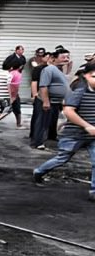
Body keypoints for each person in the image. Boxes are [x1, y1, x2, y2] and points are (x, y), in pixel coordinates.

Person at [33, 62, 95, 202]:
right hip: (74, 135)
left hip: (93, 136)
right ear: (86, 76)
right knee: (62, 158)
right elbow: (68, 111)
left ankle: (93, 191)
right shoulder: (79, 92)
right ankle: (39, 171)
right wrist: (86, 126)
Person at [30, 50, 70, 150]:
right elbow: (43, 86)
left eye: (67, 57)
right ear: (53, 59)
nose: (66, 59)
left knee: (50, 122)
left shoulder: (59, 70)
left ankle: (47, 138)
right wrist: (46, 101)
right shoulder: (49, 69)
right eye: (63, 57)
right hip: (47, 101)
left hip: (56, 102)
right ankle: (37, 143)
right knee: (42, 122)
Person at [0, 63, 23, 131]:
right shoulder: (9, 75)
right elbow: (9, 86)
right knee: (7, 110)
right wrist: (11, 97)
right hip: (5, 96)